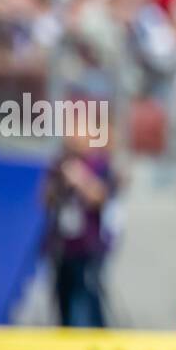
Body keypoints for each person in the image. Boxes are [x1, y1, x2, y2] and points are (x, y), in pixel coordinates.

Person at [43, 129, 117, 328]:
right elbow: (45, 199)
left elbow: (100, 197)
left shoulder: (99, 165)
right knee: (63, 304)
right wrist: (59, 183)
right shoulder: (59, 165)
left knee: (90, 303)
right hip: (62, 247)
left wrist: (81, 179)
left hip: (89, 248)